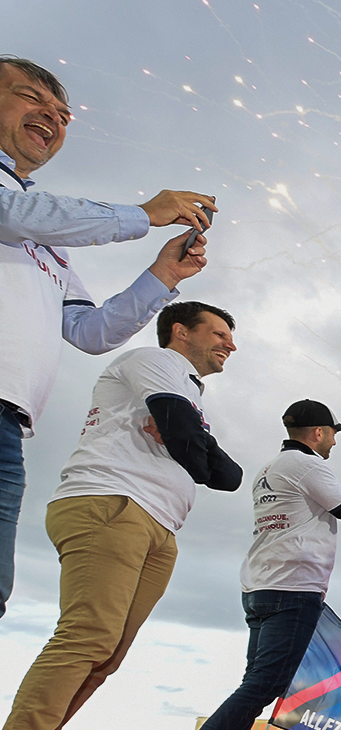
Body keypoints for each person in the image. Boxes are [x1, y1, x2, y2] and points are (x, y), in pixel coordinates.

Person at [0, 301, 242, 730]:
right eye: (219, 333)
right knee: (86, 637)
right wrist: (190, 442)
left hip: (157, 522)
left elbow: (230, 476)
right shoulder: (155, 362)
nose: (230, 344)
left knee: (105, 656)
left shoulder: (188, 391)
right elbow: (190, 444)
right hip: (113, 502)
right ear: (181, 332)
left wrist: (192, 441)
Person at [0, 55, 217, 619]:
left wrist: (162, 276)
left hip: (10, 423)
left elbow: (90, 331)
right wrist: (143, 214)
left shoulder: (44, 240)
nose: (52, 117)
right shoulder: (21, 211)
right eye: (31, 98)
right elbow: (17, 213)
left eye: (63, 113)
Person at [150, 401, 341, 730]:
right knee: (262, 686)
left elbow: (309, 511)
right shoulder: (310, 466)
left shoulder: (273, 467)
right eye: (334, 433)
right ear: (318, 432)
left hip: (262, 583)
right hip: (293, 587)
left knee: (258, 684)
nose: (334, 441)